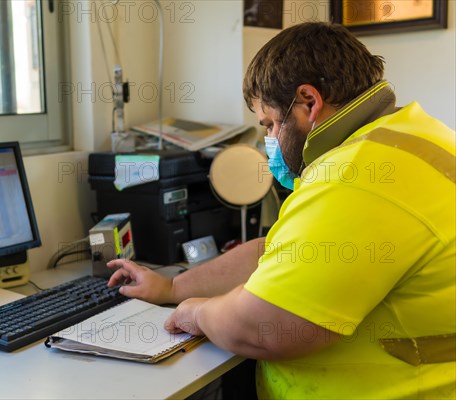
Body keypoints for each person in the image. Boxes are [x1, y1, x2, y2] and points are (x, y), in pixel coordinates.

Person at [107, 22, 455, 399]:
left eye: (270, 123)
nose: (270, 139)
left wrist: (195, 312)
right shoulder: (410, 135)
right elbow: (276, 253)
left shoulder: (356, 176)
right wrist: (170, 287)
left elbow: (264, 327)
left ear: (309, 101)